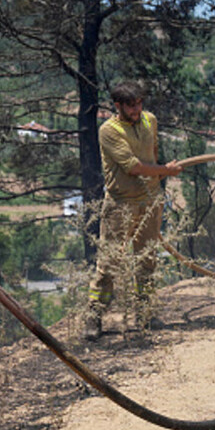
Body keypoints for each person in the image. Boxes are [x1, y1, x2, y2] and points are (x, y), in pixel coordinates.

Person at [82, 81, 182, 341]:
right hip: (121, 205)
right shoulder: (109, 130)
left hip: (150, 201)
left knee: (147, 259)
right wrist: (165, 171)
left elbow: (153, 154)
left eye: (139, 103)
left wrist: (158, 181)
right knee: (109, 263)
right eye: (131, 105)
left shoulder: (150, 120)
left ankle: (146, 314)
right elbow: (134, 167)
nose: (137, 109)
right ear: (118, 106)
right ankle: (94, 316)